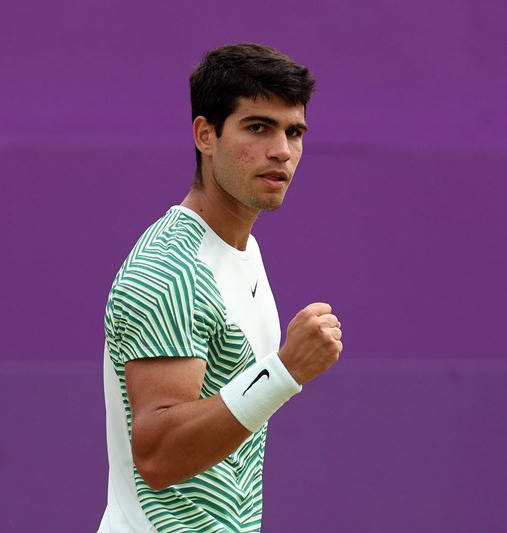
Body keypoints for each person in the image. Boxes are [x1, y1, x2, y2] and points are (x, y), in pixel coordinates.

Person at [97, 43, 343, 532]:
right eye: (258, 127)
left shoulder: (239, 249)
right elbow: (159, 454)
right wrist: (287, 369)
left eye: (294, 132)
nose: (282, 150)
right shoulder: (172, 270)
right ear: (204, 135)